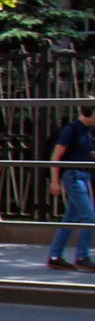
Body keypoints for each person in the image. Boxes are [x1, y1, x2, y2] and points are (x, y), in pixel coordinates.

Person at [48, 103, 95, 272]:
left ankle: (55, 256)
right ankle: (82, 257)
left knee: (70, 218)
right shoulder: (71, 129)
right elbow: (56, 156)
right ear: (89, 112)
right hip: (74, 176)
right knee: (90, 218)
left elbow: (85, 153)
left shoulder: (90, 131)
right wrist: (55, 181)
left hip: (85, 175)